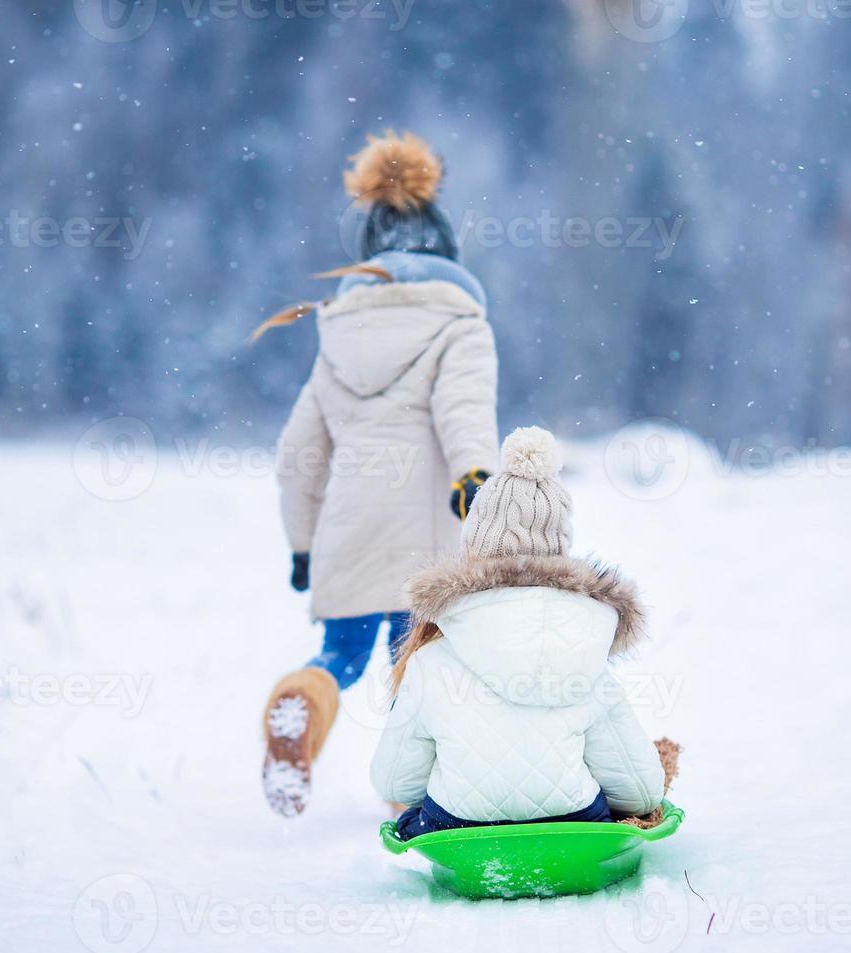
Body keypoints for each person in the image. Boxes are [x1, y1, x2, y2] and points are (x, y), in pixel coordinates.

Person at [257, 131, 499, 817]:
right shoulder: (461, 324)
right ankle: (419, 798)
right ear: (448, 251)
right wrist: (475, 476)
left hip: (349, 532)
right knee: (420, 668)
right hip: (427, 536)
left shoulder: (337, 333)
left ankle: (303, 700)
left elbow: (297, 456)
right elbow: (464, 411)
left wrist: (303, 546)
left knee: (340, 656)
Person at [371, 427, 667, 839]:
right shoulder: (589, 648)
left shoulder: (430, 658)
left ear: (474, 545)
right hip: (572, 824)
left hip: (459, 826)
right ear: (560, 548)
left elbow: (394, 784)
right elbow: (640, 790)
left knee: (413, 818)